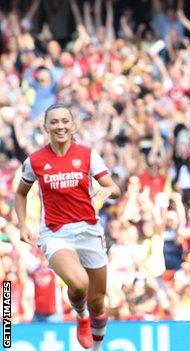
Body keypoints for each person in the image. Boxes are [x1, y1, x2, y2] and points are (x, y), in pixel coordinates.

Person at [14, 104, 120, 350]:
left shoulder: (88, 155)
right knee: (79, 283)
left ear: (73, 125)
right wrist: (22, 224)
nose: (60, 126)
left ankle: (95, 346)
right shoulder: (36, 161)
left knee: (98, 303)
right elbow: (20, 194)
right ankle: (80, 316)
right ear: (45, 127)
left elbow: (115, 188)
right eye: (54, 122)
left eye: (64, 121)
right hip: (55, 233)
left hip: (89, 231)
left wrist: (107, 190)